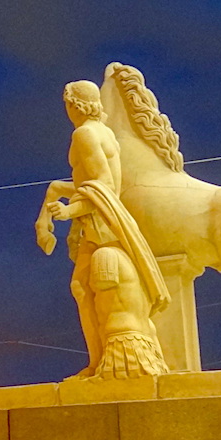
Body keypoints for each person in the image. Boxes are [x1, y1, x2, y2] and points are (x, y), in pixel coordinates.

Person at [35, 80, 169, 378]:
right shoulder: (103, 132)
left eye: (67, 103)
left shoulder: (83, 134)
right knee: (81, 288)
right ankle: (96, 362)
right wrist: (57, 194)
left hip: (100, 222)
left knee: (85, 288)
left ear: (74, 105)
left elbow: (104, 185)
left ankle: (100, 362)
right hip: (100, 217)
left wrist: (71, 210)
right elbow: (91, 183)